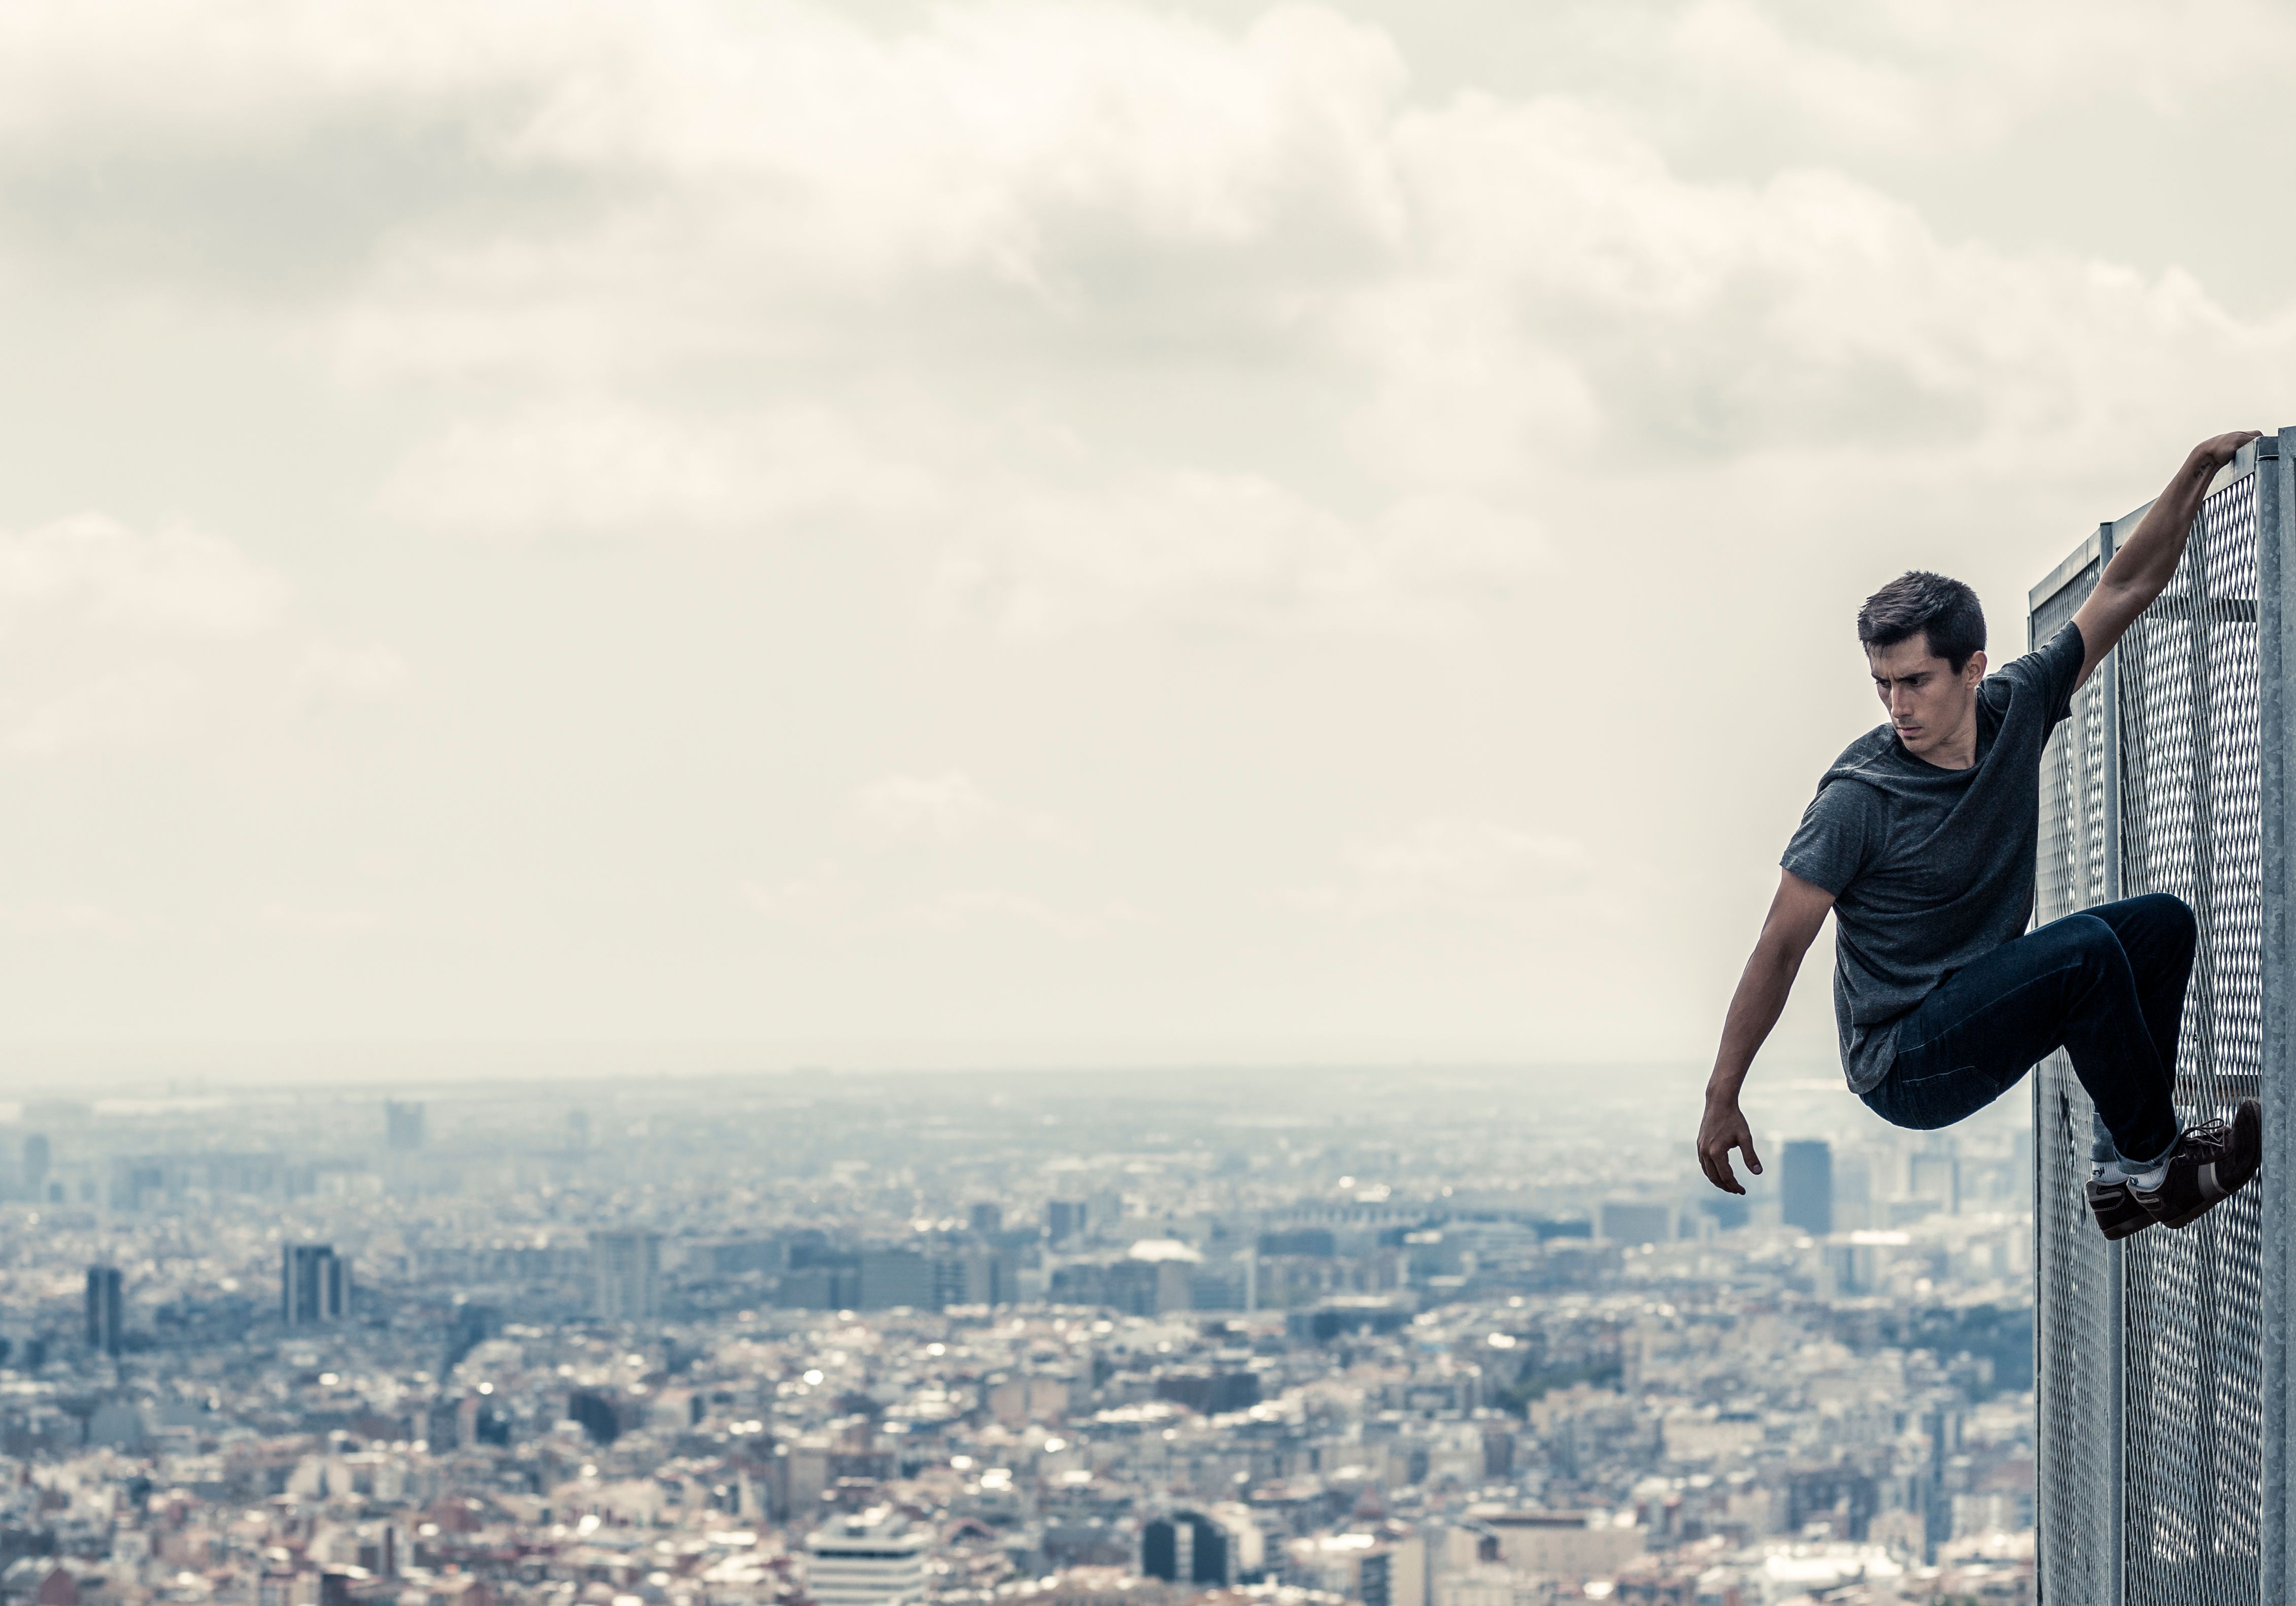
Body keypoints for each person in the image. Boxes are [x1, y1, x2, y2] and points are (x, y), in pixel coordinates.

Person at [1697, 430, 2265, 1239]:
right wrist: (1723, 1094)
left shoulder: (2019, 704)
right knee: (2086, 957)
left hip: (1980, 997)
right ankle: (2158, 1165)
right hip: (1905, 1062)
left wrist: (2194, 475)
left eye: (1916, 681)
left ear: (1972, 668)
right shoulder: (1859, 798)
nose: (1897, 706)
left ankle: (2119, 1176)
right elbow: (1779, 945)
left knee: (2160, 924)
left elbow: (2126, 587)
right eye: (1883, 685)